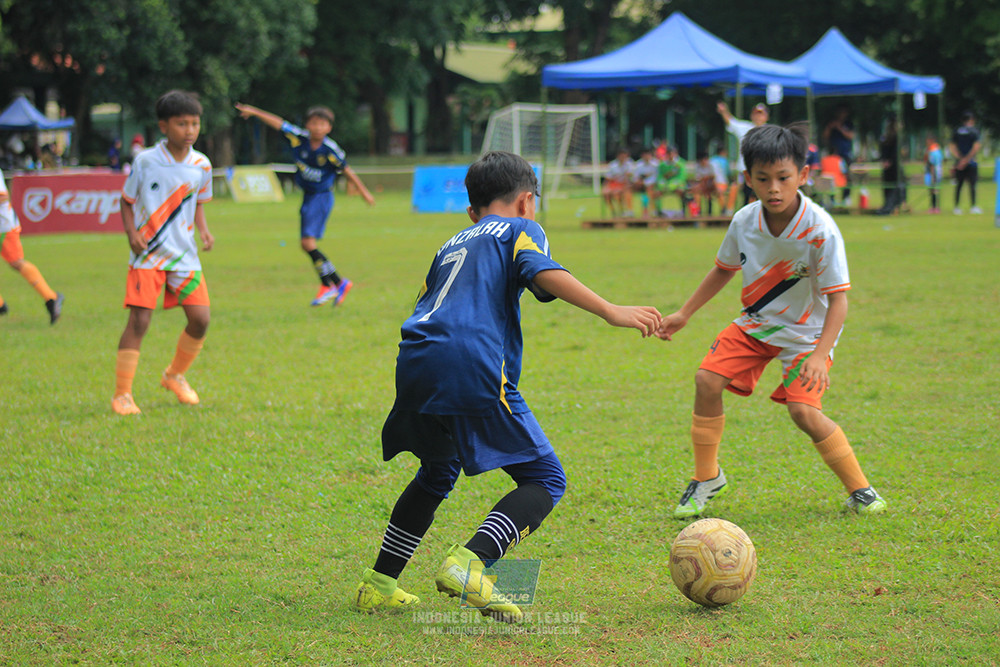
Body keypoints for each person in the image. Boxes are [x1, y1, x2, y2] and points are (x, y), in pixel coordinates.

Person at [351, 151, 662, 621]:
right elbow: (542, 272)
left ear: (471, 210)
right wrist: (611, 310)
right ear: (526, 201)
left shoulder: (451, 243)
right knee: (545, 478)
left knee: (437, 472)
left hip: (414, 359)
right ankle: (469, 563)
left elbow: (427, 300)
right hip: (468, 362)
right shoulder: (521, 228)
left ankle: (379, 584)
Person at [657, 122, 886, 519]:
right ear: (748, 179)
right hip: (757, 324)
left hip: (808, 334)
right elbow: (723, 270)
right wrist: (684, 313)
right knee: (706, 380)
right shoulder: (745, 221)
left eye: (783, 178)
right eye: (763, 179)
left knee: (804, 413)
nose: (774, 188)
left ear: (803, 175)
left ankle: (862, 490)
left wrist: (819, 355)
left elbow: (839, 301)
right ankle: (706, 477)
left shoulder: (820, 230)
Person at [111, 90, 215, 416]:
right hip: (149, 255)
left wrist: (204, 229)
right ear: (163, 126)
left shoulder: (202, 164)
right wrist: (131, 234)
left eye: (195, 123)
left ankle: (174, 375)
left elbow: (196, 202)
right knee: (140, 321)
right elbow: (126, 202)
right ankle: (122, 395)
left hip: (184, 256)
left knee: (201, 319)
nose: (189, 130)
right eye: (182, 123)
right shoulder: (145, 161)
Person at [235, 102, 375, 306]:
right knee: (306, 244)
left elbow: (347, 170)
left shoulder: (330, 149)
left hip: (321, 196)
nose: (318, 127)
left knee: (308, 243)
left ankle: (334, 283)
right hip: (309, 196)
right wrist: (255, 112)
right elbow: (278, 123)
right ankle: (334, 283)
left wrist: (364, 193)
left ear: (329, 128)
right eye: (314, 123)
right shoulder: (298, 138)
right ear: (307, 125)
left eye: (322, 124)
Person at [0, 166, 63, 323]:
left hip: (3, 226)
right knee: (16, 263)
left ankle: (51, 298)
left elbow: (3, 196)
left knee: (16, 262)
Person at [717, 101, 768, 209]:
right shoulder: (745, 128)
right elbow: (731, 122)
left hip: (763, 168)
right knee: (747, 194)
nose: (758, 117)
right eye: (756, 114)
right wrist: (724, 111)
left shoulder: (770, 131)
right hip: (746, 168)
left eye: (761, 114)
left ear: (766, 116)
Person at [949, 111, 982, 215]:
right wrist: (967, 159)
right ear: (971, 120)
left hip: (959, 162)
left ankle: (957, 207)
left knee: (959, 185)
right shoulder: (974, 131)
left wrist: (960, 158)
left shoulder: (957, 131)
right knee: (972, 185)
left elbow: (952, 147)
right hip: (971, 162)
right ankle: (973, 206)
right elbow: (976, 146)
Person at [823, 106, 855, 206]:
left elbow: (851, 136)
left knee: (846, 175)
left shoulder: (848, 124)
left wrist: (839, 128)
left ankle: (846, 197)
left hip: (845, 154)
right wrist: (830, 127)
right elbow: (825, 137)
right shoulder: (831, 123)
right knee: (830, 176)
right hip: (833, 155)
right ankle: (831, 198)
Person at [875, 114, 904, 215]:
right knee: (891, 187)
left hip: (890, 166)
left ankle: (889, 206)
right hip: (892, 166)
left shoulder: (889, 137)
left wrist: (886, 161)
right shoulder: (891, 137)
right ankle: (889, 206)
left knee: (892, 187)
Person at [653, 145, 690, 215]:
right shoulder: (662, 165)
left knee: (681, 191)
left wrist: (672, 184)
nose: (670, 155)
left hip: (678, 184)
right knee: (656, 192)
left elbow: (682, 177)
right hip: (666, 185)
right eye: (668, 153)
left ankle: (682, 210)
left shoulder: (680, 164)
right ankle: (659, 211)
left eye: (672, 153)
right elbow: (660, 176)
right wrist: (662, 184)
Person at [602, 147, 634, 217]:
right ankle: (613, 211)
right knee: (606, 193)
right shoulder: (612, 165)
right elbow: (608, 178)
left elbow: (630, 176)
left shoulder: (629, 164)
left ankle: (625, 210)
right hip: (614, 184)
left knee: (618, 193)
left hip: (625, 185)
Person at [631, 147, 660, 217]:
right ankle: (629, 211)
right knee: (627, 189)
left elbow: (657, 177)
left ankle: (652, 210)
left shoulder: (656, 164)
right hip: (640, 186)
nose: (646, 157)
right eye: (645, 155)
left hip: (653, 186)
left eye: (648, 155)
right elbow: (635, 177)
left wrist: (647, 183)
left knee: (649, 191)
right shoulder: (638, 165)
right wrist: (639, 182)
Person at [924, 134, 943, 214]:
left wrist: (932, 175)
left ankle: (935, 207)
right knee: (932, 190)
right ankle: (933, 206)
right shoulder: (931, 149)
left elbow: (932, 164)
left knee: (934, 190)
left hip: (934, 172)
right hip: (932, 171)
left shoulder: (933, 150)